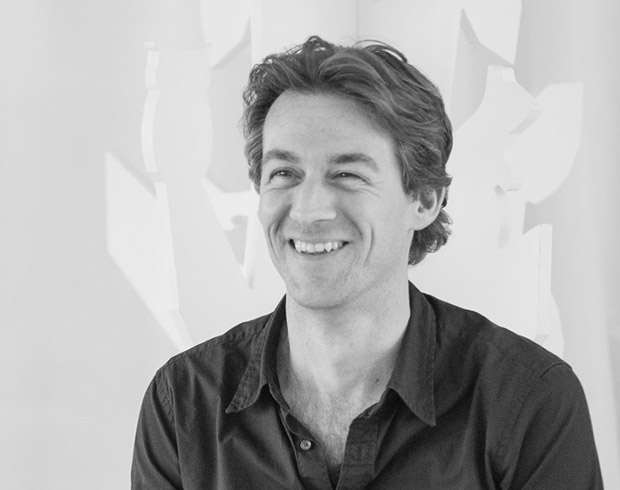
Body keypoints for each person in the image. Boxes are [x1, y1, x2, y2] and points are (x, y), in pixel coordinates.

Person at [131, 36, 603, 489]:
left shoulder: (528, 402)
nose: (308, 210)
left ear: (425, 199)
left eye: (347, 174)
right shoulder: (184, 404)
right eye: (284, 173)